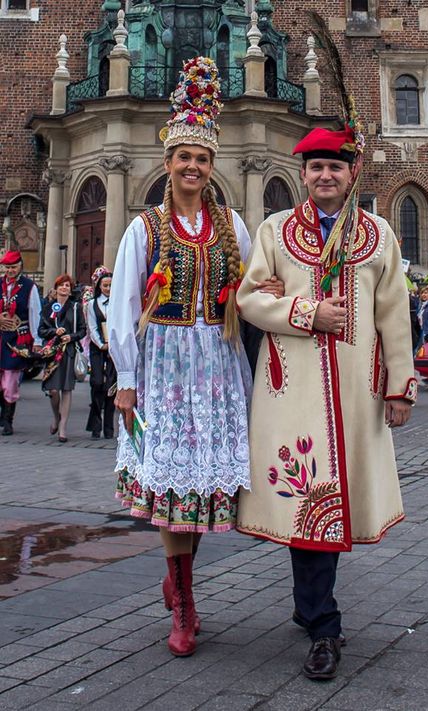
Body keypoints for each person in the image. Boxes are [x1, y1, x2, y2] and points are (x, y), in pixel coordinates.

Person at [108, 57, 283, 659]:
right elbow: (122, 303)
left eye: (202, 159)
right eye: (184, 157)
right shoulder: (143, 229)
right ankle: (183, 602)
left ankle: (179, 580)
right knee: (173, 487)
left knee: (203, 493)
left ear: (212, 168)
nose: (192, 167)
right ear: (168, 163)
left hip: (218, 360)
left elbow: (254, 285)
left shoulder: (232, 224)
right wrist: (125, 379)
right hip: (163, 366)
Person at [236, 122, 416, 681]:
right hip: (294, 393)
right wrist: (305, 313)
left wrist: (399, 385)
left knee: (338, 500)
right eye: (315, 167)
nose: (324, 176)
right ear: (303, 174)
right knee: (307, 502)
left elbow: (393, 314)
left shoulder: (379, 235)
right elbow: (249, 299)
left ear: (350, 172)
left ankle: (311, 605)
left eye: (334, 166)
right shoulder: (275, 230)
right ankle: (323, 625)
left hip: (357, 392)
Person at [38, 274, 86, 442]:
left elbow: (82, 330)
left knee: (66, 389)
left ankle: (63, 427)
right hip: (52, 352)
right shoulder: (48, 307)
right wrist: (54, 332)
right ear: (56, 288)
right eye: (62, 285)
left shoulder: (75, 307)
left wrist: (71, 337)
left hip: (68, 351)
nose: (65, 288)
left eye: (68, 285)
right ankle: (56, 417)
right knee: (52, 390)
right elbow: (41, 330)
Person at [0, 250, 42, 435]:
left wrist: (37, 341)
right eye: (7, 267)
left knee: (10, 382)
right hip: (0, 336)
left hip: (17, 338)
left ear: (20, 266)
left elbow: (35, 314)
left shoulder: (29, 287)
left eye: (13, 267)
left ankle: (8, 420)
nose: (10, 270)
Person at [85, 266, 116, 440]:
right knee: (97, 383)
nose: (108, 289)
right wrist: (100, 344)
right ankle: (95, 423)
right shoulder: (91, 304)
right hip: (98, 349)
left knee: (111, 387)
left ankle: (109, 427)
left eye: (111, 285)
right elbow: (92, 327)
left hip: (113, 348)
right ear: (99, 286)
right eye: (105, 286)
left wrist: (113, 345)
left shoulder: (118, 304)